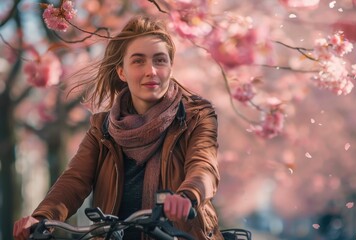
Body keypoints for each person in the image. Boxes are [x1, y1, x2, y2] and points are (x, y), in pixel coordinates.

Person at [13, 15, 223, 240]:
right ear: (122, 72)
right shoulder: (102, 127)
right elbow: (75, 179)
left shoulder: (196, 116)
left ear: (170, 68)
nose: (151, 70)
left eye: (160, 60)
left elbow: (204, 165)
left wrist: (187, 195)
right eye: (138, 61)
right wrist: (42, 216)